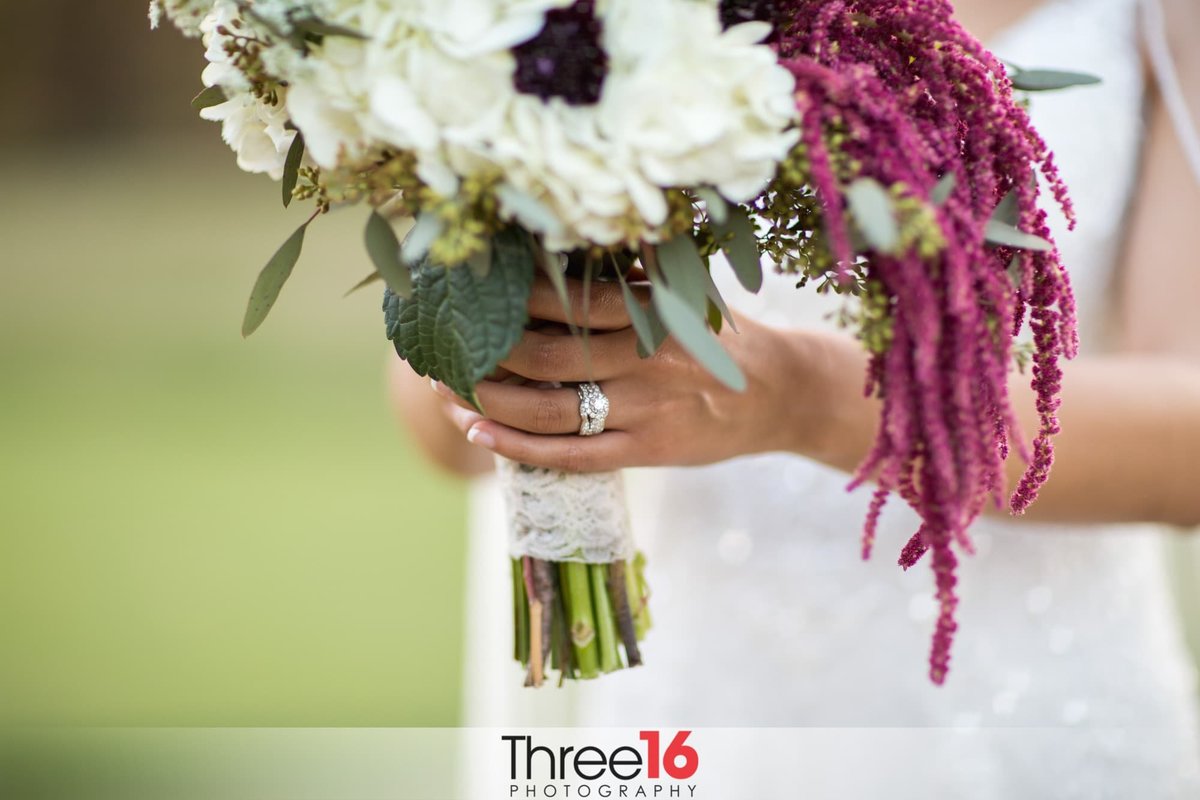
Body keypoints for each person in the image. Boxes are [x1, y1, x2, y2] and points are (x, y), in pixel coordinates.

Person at [389, 0, 1200, 795]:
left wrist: (800, 397)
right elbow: (428, 418)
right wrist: (523, 350)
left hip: (1036, 720)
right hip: (689, 712)